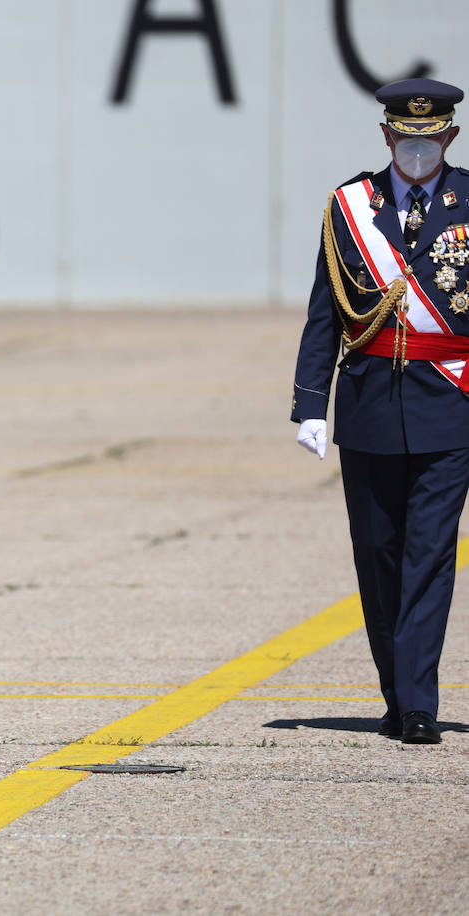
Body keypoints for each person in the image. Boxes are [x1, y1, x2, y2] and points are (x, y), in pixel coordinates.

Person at [291, 77, 469, 745]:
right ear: (387, 136)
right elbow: (324, 313)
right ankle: (397, 692)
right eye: (406, 137)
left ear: (448, 137)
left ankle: (419, 703)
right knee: (378, 554)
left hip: (451, 403)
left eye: (431, 138)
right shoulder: (350, 207)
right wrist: (311, 403)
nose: (418, 147)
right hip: (367, 405)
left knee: (430, 554)